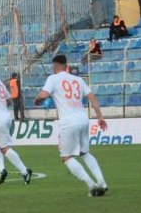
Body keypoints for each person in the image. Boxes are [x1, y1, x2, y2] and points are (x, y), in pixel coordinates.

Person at [34, 54, 109, 197]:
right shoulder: (78, 79)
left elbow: (43, 95)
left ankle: (91, 185)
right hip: (83, 119)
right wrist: (99, 116)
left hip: (68, 122)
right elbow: (92, 97)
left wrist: (37, 100)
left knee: (66, 157)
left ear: (55, 66)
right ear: (66, 65)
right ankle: (102, 182)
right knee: (85, 153)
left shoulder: (53, 78)